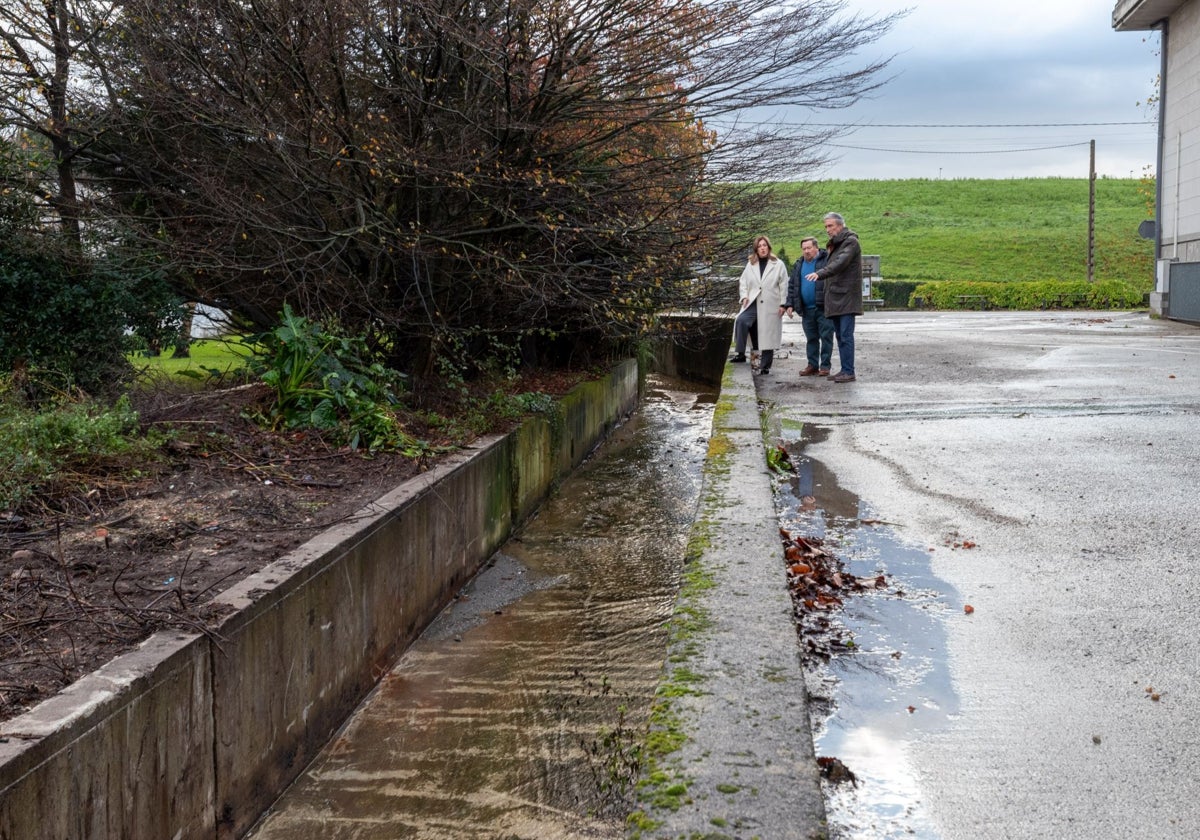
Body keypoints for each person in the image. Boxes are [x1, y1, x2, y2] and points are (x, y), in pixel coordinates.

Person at [806, 212, 863, 383]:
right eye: (826, 226)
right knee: (840, 336)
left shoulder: (851, 242)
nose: (827, 230)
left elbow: (839, 264)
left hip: (846, 298)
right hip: (837, 298)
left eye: (830, 226)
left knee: (845, 336)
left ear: (840, 225)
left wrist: (820, 274)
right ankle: (845, 369)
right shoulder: (837, 244)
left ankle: (849, 371)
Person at [731, 235, 789, 374]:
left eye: (764, 245)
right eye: (759, 246)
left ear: (768, 247)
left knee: (768, 334)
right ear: (756, 249)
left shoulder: (778, 264)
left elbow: (784, 285)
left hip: (770, 303)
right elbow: (743, 281)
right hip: (752, 301)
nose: (762, 248)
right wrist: (744, 296)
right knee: (741, 321)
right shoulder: (751, 263)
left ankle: (765, 366)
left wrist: (783, 304)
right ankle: (740, 354)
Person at [785, 236, 833, 376]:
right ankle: (812, 365)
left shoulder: (826, 261)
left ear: (816, 248)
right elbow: (793, 285)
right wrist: (790, 304)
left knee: (826, 337)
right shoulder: (799, 264)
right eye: (804, 248)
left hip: (824, 307)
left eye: (809, 248)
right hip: (806, 309)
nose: (806, 251)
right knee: (811, 338)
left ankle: (825, 366)